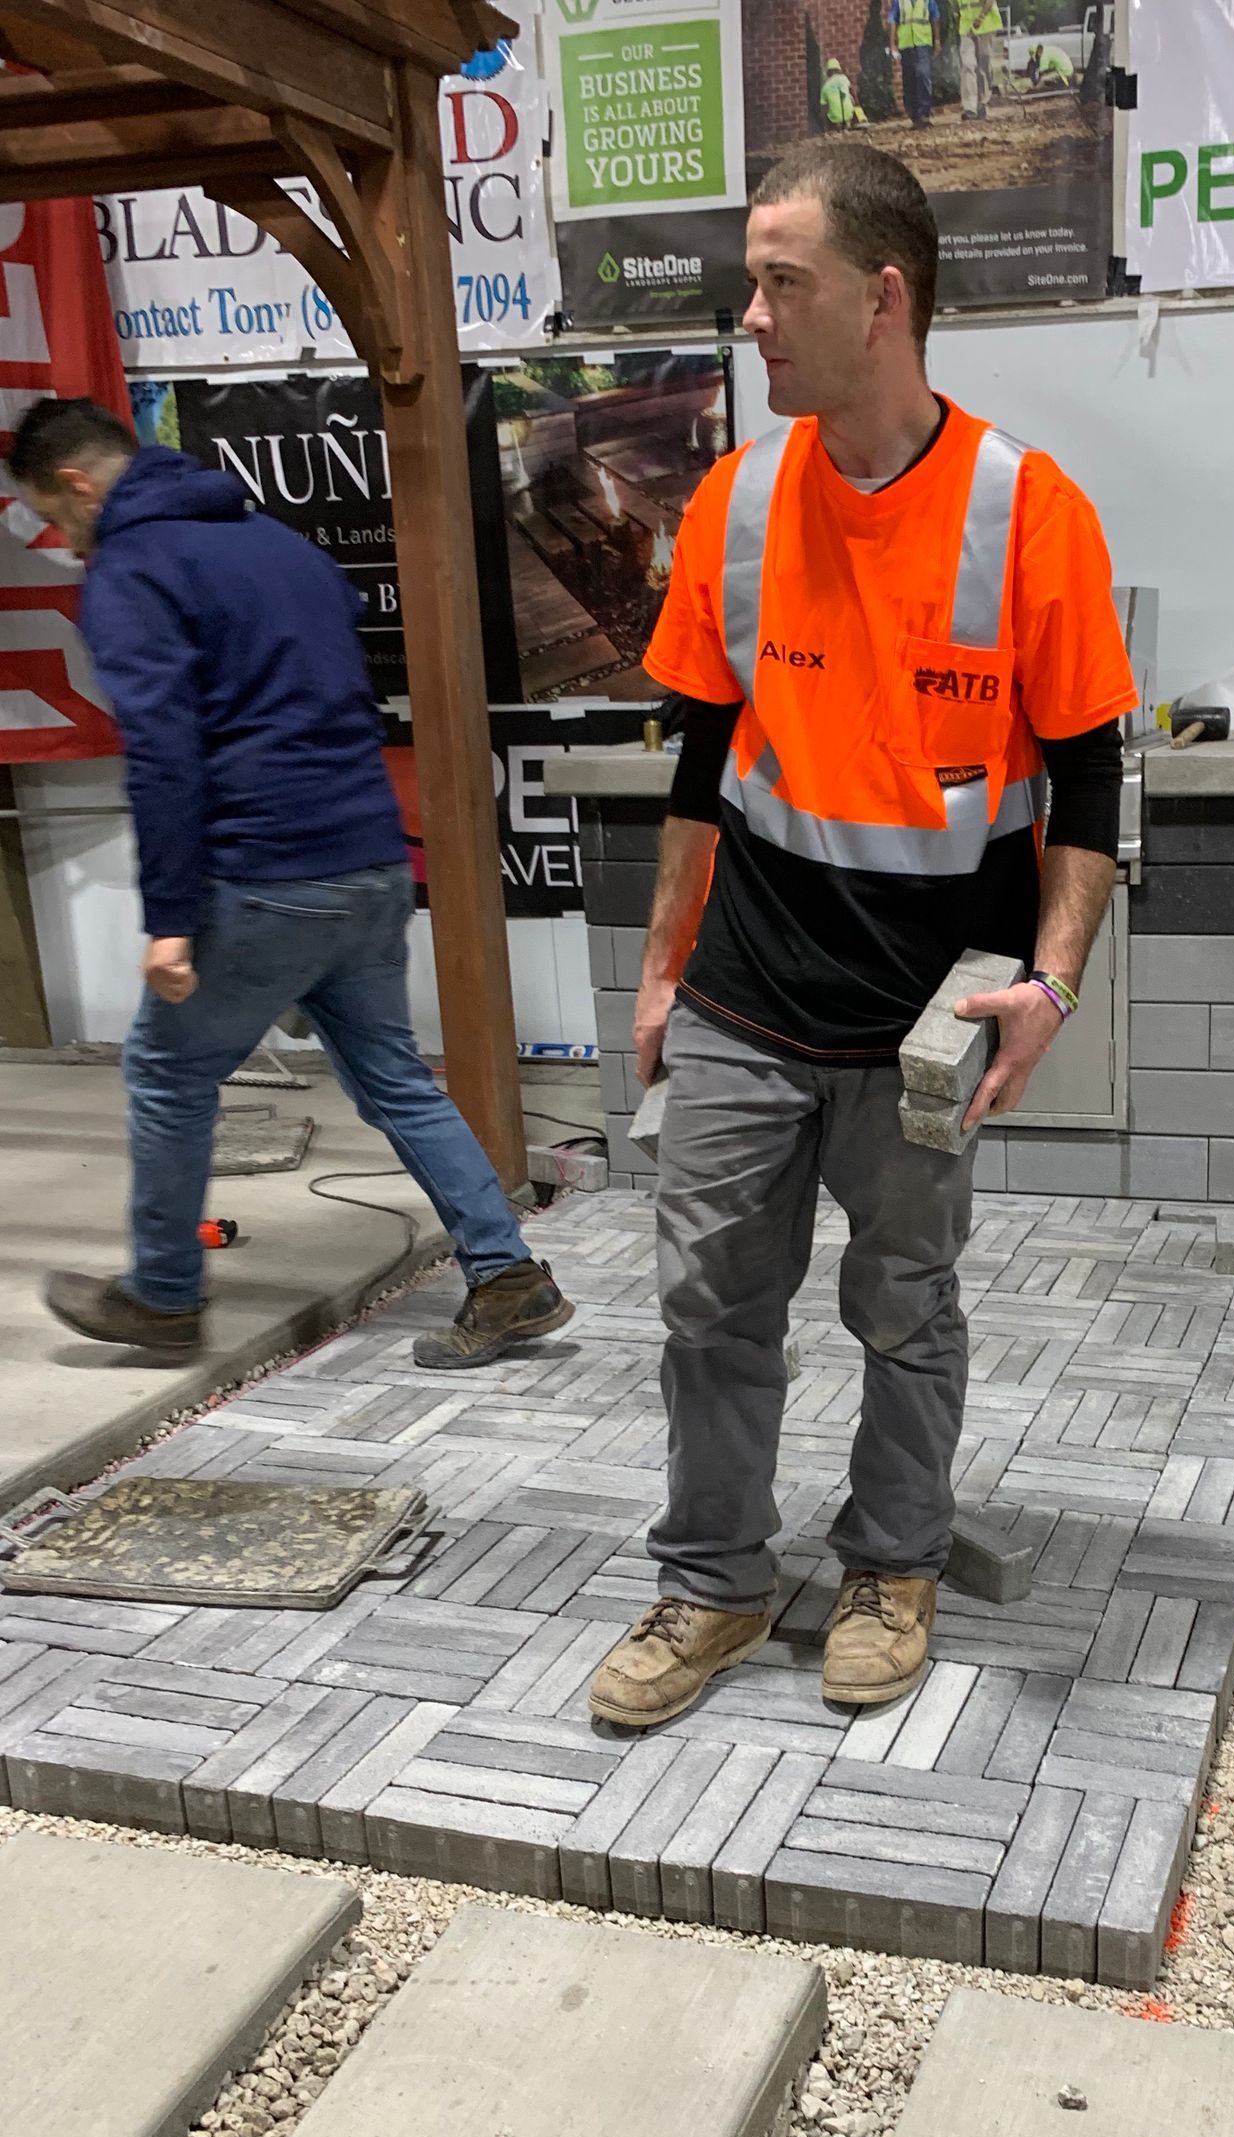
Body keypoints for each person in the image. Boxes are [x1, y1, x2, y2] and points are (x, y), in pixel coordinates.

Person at [587, 140, 1135, 1730]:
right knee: (708, 1304)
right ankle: (714, 1580)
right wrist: (662, 969)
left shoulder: (1028, 513)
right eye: (750, 282)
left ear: (883, 299)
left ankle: (895, 1565)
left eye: (782, 283)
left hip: (926, 1017)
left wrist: (1052, 980)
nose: (749, 316)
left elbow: (1095, 778)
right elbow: (701, 765)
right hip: (746, 996)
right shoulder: (737, 505)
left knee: (905, 1305)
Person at [11, 398, 573, 1370]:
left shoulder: (133, 571)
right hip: (369, 862)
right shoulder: (281, 545)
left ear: (77, 484)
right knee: (395, 1079)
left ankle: (164, 1297)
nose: (63, 542)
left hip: (264, 873)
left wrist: (170, 920)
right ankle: (507, 1274)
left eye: (56, 520)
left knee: (167, 1072)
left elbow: (165, 755)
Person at [889, 0, 938, 127]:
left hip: (923, 42)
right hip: (906, 44)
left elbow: (935, 17)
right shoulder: (899, 1)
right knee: (909, 79)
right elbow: (893, 20)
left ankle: (924, 113)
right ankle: (914, 114)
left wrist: (937, 40)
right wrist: (892, 44)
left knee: (923, 75)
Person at [957, 0, 1001, 118]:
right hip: (966, 27)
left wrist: (981, 17)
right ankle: (970, 107)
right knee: (967, 65)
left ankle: (982, 103)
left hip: (986, 24)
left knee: (983, 67)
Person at [820, 54, 865, 128]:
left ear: (828, 72)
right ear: (839, 69)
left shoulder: (825, 87)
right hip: (849, 115)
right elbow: (854, 95)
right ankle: (854, 121)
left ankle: (836, 125)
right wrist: (860, 115)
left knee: (827, 105)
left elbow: (823, 108)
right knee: (850, 96)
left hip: (834, 119)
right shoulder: (844, 79)